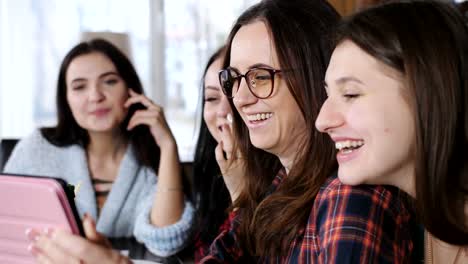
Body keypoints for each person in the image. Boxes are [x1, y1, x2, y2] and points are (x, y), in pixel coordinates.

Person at [202, 0, 419, 262]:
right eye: (234, 79)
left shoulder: (347, 194)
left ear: (315, 79)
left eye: (260, 77)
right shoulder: (281, 182)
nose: (240, 98)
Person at [4, 38, 194, 258]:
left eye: (110, 81)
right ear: (67, 100)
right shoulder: (36, 148)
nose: (95, 96)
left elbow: (166, 240)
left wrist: (168, 147)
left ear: (130, 89)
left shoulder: (151, 161)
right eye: (79, 86)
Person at [315, 1, 468, 263]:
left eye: (350, 94)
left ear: (428, 94)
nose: (322, 121)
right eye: (328, 95)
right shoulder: (411, 221)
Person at [192, 46, 245, 262]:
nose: (223, 111)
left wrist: (242, 194)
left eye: (234, 93)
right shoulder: (215, 171)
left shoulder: (286, 179)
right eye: (212, 98)